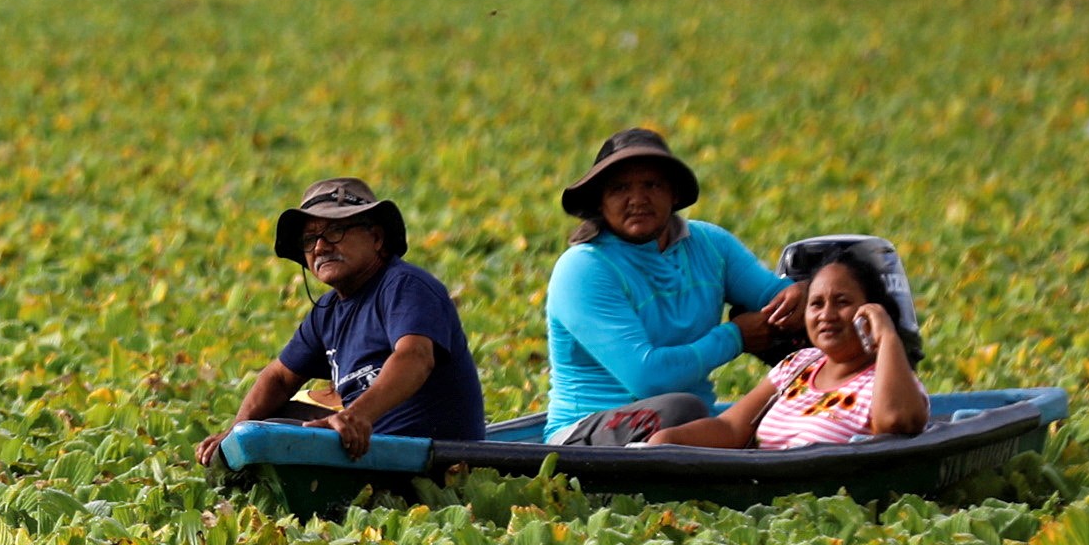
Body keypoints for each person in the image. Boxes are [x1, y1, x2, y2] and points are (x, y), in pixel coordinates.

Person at [540, 128, 805, 448]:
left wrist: (799, 298)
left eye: (652, 185)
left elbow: (774, 298)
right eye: (621, 188)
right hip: (588, 431)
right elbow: (647, 378)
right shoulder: (584, 268)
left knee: (795, 399)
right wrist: (735, 337)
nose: (637, 199)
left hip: (687, 424)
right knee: (681, 407)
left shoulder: (710, 244)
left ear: (674, 194)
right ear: (600, 202)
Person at [197, 177, 485, 466]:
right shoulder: (327, 310)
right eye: (310, 239)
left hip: (428, 456)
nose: (320, 247)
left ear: (376, 238)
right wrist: (234, 431)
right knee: (272, 421)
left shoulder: (404, 286)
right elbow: (279, 377)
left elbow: (415, 356)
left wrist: (355, 416)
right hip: (364, 450)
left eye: (335, 230)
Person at [641, 242, 928, 449]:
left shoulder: (888, 381)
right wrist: (667, 441)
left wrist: (887, 335)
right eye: (816, 304)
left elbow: (896, 422)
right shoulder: (799, 364)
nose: (826, 315)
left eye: (842, 302)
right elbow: (730, 428)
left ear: (871, 311)